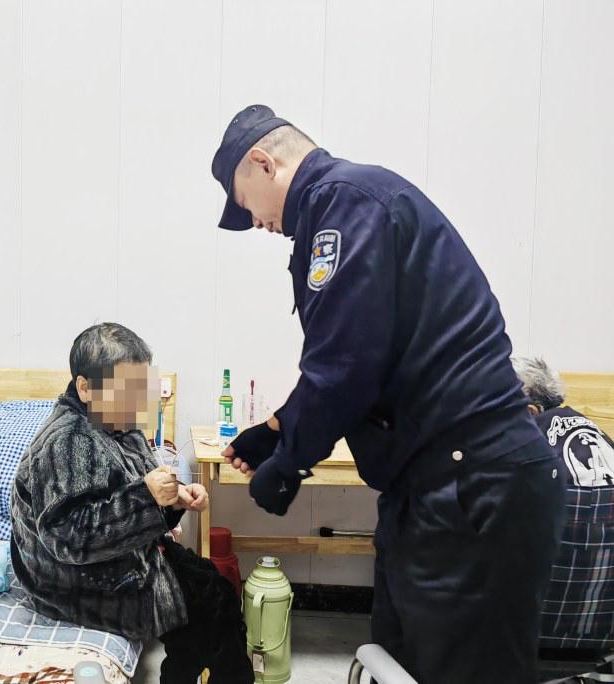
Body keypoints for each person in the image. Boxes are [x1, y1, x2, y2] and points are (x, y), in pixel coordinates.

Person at [212, 104, 564, 682]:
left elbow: (346, 365)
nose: (254, 222)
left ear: (263, 162)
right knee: (401, 664)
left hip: (473, 488)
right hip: (434, 486)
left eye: (245, 202)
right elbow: (357, 356)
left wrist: (290, 462)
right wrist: (274, 431)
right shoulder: (343, 207)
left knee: (456, 670)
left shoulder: (345, 203)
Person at [10, 322, 254, 684]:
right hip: (74, 584)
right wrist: (147, 498)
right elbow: (69, 538)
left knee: (217, 590)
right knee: (210, 608)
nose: (137, 402)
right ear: (85, 388)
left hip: (120, 558)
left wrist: (176, 499)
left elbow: (142, 493)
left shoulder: (115, 423)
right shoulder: (67, 441)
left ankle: (185, 671)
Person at [513, 357, 614, 651]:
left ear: (530, 412)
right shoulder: (602, 439)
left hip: (527, 639)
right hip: (605, 642)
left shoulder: (521, 456)